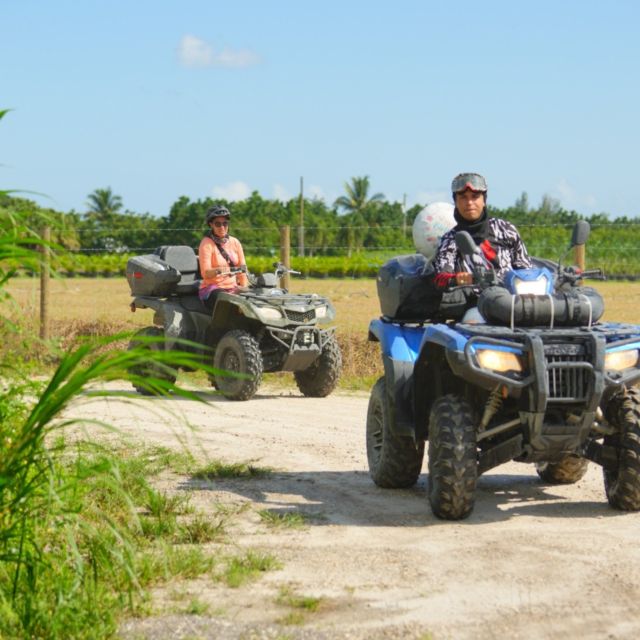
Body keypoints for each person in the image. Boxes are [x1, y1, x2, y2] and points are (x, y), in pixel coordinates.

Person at [432, 172, 532, 290]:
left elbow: (525, 269)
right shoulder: (450, 239)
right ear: (456, 202)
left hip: (509, 300)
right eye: (463, 197)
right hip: (473, 303)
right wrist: (462, 278)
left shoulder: (505, 229)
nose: (469, 203)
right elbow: (441, 278)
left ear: (484, 200)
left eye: (475, 197)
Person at [198, 204, 249, 310]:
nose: (222, 227)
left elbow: (243, 269)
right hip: (212, 288)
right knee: (226, 302)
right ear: (211, 224)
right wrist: (219, 270)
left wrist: (245, 289)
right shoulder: (206, 244)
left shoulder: (235, 242)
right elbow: (205, 273)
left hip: (233, 287)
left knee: (254, 301)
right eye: (218, 224)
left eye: (225, 223)